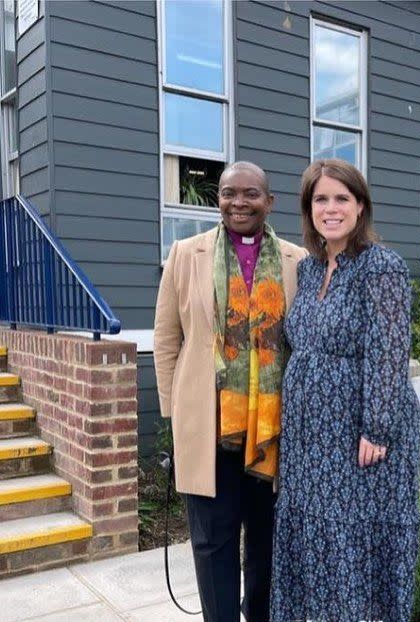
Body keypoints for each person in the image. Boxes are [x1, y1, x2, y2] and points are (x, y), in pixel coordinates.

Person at [153, 161, 307, 622]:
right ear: (217, 197)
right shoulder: (185, 254)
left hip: (272, 434)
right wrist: (175, 414)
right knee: (212, 542)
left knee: (266, 542)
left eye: (250, 194)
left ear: (269, 201)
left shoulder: (297, 261)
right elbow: (166, 338)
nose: (238, 202)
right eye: (228, 193)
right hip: (209, 426)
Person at [270, 159, 420, 622]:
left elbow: (390, 351)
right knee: (314, 537)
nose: (330, 208)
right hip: (308, 444)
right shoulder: (312, 269)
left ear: (360, 207)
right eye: (320, 199)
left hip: (359, 438)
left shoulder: (382, 267)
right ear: (308, 208)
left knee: (353, 539)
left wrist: (376, 428)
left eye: (341, 198)